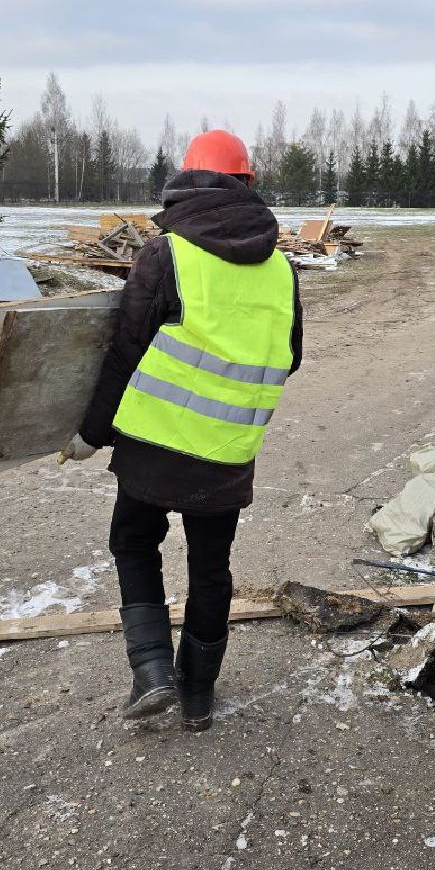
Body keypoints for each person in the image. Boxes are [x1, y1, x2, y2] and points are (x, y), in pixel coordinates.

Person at [60, 130, 303, 731]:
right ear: (246, 185)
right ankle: (197, 696)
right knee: (211, 565)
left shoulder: (167, 253)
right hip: (229, 448)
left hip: (155, 444)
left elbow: (125, 352)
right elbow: (290, 355)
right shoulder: (280, 268)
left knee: (134, 542)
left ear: (184, 183)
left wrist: (91, 434)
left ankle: (151, 671)